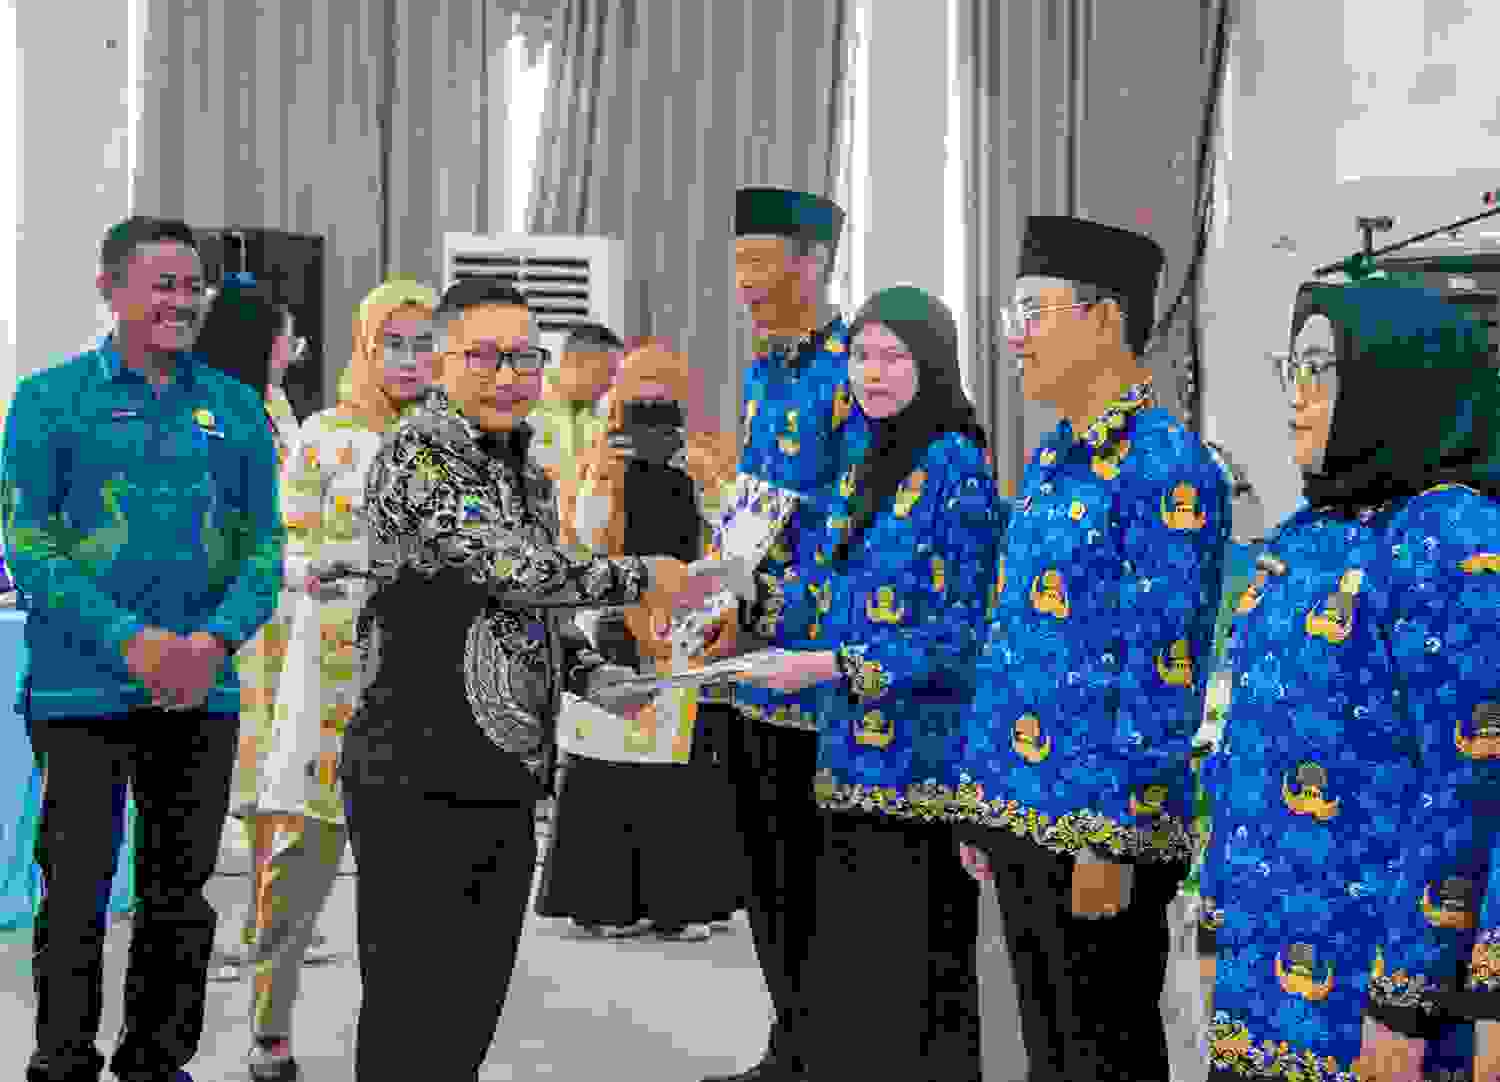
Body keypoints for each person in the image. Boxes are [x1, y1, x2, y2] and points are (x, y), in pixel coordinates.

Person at [343, 277, 695, 1080]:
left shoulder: (525, 469)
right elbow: (509, 567)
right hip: (414, 773)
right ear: (440, 361)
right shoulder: (418, 452)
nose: (508, 377)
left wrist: (592, 673)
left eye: (525, 358)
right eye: (486, 357)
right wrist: (644, 576)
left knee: (469, 1008)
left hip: (501, 775)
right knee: (410, 1011)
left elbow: (533, 610)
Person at [1, 215, 284, 1082]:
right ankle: (62, 1060)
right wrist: (132, 640)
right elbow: (29, 543)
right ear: (110, 288)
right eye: (164, 284)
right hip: (81, 691)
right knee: (77, 887)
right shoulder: (49, 399)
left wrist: (210, 641)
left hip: (202, 690)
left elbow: (263, 548)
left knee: (180, 894)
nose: (182, 301)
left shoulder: (234, 408)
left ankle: (158, 1061)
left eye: (192, 286)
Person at [952, 215, 1231, 1082]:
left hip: (1100, 829)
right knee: (1048, 1050)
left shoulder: (1168, 469)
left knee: (1104, 1053)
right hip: (1021, 805)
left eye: (1033, 313)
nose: (1015, 339)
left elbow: (1162, 671)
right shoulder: (1052, 458)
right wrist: (981, 792)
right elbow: (1015, 635)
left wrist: (1113, 839)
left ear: (1104, 319)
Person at [1198, 281, 1500, 1082]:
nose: (1298, 395)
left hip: (1376, 1005)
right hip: (1262, 981)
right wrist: (1214, 919)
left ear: (1397, 378)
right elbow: (1245, 745)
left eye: (1323, 369)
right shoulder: (1304, 537)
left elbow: (1469, 791)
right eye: (1292, 368)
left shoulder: (1454, 541)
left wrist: (1406, 1001)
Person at [734, 285, 1001, 1079]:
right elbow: (828, 594)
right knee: (855, 978)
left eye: (893, 357)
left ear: (934, 364)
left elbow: (960, 635)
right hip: (846, 760)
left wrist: (829, 666)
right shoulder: (864, 463)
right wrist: (743, 600)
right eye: (860, 355)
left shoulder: (957, 468)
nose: (872, 373)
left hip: (918, 770)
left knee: (916, 982)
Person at [220, 276, 439, 1081]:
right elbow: (282, 542)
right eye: (393, 344)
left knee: (412, 878)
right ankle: (269, 1029)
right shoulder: (325, 435)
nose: (409, 361)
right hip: (329, 679)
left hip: (424, 681)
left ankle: (404, 1037)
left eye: (424, 345)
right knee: (299, 862)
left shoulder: (457, 442)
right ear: (366, 348)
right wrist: (324, 567)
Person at [694, 185, 862, 1082]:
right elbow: (754, 510)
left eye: (764, 265)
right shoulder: (763, 372)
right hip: (747, 650)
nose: (749, 285)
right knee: (760, 865)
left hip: (815, 665)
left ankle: (823, 1047)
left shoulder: (852, 370)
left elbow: (859, 516)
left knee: (812, 872)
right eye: (740, 266)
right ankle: (790, 1043)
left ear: (815, 264)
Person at [536, 337, 745, 942]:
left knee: (660, 767)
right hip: (628, 625)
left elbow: (730, 531)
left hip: (665, 624)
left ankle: (654, 902)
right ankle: (630, 904)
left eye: (663, 402)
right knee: (626, 763)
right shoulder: (612, 465)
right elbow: (587, 538)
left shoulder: (693, 460)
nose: (653, 419)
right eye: (641, 402)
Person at [529, 320, 625, 552]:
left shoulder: (596, 419)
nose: (610, 385)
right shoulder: (526, 404)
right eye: (604, 373)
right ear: (571, 363)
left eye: (614, 376)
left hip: (578, 547)